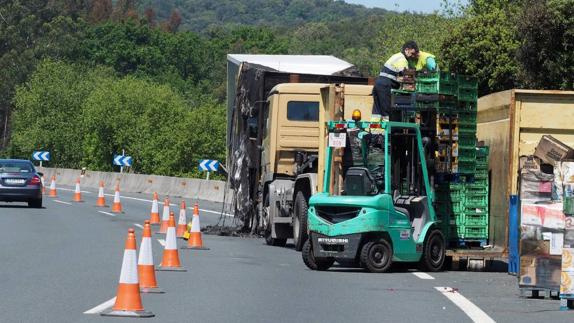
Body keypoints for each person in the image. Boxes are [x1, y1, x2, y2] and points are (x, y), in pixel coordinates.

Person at [372, 41, 437, 120]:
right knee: (386, 111)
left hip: (378, 84)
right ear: (407, 50)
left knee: (377, 110)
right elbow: (407, 77)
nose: (412, 56)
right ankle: (386, 129)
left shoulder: (396, 56)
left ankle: (374, 128)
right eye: (412, 53)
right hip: (385, 85)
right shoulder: (402, 59)